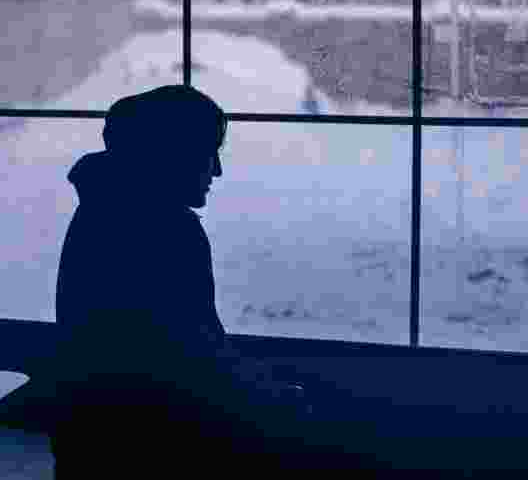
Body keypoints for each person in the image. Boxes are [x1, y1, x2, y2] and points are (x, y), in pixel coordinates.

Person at [48, 85, 357, 477]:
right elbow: (196, 359)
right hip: (145, 442)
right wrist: (275, 396)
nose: (217, 170)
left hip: (91, 435)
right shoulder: (166, 230)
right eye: (209, 153)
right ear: (172, 155)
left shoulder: (102, 209)